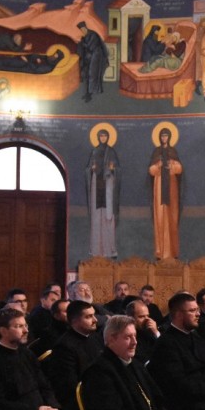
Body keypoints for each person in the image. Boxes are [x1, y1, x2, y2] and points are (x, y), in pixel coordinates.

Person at [148, 126, 183, 260]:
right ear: (159, 137)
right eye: (162, 136)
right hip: (159, 187)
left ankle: (172, 252)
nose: (164, 138)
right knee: (160, 218)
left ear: (169, 137)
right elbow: (151, 171)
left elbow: (179, 169)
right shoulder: (156, 152)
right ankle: (160, 252)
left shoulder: (173, 151)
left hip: (171, 187)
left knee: (172, 218)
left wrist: (171, 165)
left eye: (166, 136)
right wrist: (158, 165)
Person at [86, 127, 120, 258]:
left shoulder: (111, 152)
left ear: (108, 137)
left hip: (108, 185)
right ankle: (96, 250)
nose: (103, 138)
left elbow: (118, 169)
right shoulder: (94, 151)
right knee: (96, 218)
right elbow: (88, 169)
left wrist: (112, 169)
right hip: (96, 185)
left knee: (108, 216)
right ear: (98, 138)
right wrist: (92, 169)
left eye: (105, 136)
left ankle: (109, 250)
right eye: (101, 136)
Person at [76, 22, 109, 102]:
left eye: (82, 29)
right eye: (81, 30)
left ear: (85, 28)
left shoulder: (93, 34)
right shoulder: (86, 36)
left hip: (96, 58)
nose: (82, 31)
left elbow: (91, 47)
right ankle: (88, 93)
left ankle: (90, 94)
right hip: (91, 58)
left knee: (93, 75)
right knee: (88, 75)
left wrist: (83, 43)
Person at [126, 299, 160, 364]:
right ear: (130, 318)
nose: (147, 320)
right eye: (141, 317)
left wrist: (156, 332)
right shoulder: (127, 336)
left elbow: (166, 350)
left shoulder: (150, 331)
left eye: (147, 316)